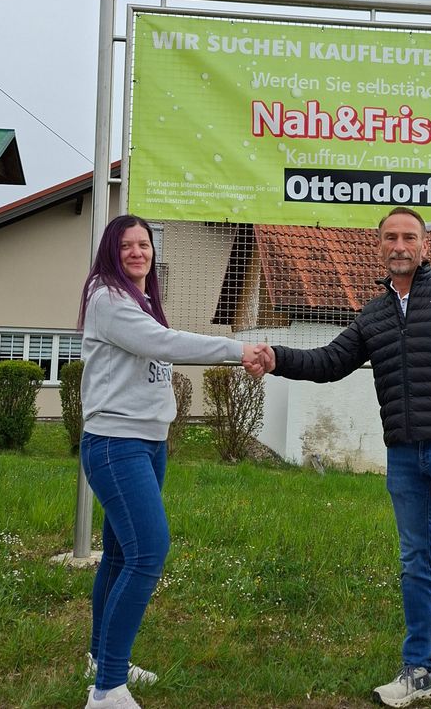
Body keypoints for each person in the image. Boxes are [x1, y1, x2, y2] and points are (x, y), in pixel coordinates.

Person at [254, 207, 431, 709]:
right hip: (403, 456)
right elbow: (330, 362)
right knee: (414, 563)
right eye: (390, 237)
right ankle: (421, 672)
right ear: (379, 248)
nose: (399, 245)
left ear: (425, 247)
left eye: (409, 237)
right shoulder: (373, 314)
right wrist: (277, 357)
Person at [77, 214, 266, 709]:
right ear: (110, 252)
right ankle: (107, 691)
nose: (139, 252)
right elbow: (165, 344)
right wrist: (237, 349)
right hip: (116, 444)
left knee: (120, 556)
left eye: (144, 244)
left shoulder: (138, 300)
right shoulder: (107, 298)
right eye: (127, 246)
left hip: (147, 443)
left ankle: (103, 659)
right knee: (147, 553)